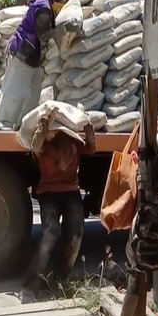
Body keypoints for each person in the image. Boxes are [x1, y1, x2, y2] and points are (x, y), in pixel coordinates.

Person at [20, 112, 96, 303]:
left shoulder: (75, 145)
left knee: (76, 233)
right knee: (50, 233)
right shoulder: (44, 147)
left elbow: (92, 148)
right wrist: (43, 125)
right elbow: (35, 145)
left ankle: (61, 278)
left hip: (70, 191)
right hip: (48, 192)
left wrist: (88, 126)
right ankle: (30, 286)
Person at [0, 0, 71, 131]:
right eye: (63, 2)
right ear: (56, 0)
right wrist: (60, 30)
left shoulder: (47, 5)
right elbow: (43, 35)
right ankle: (3, 123)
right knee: (15, 91)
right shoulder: (44, 10)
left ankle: (21, 125)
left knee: (33, 92)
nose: (63, 5)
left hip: (31, 55)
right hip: (22, 53)